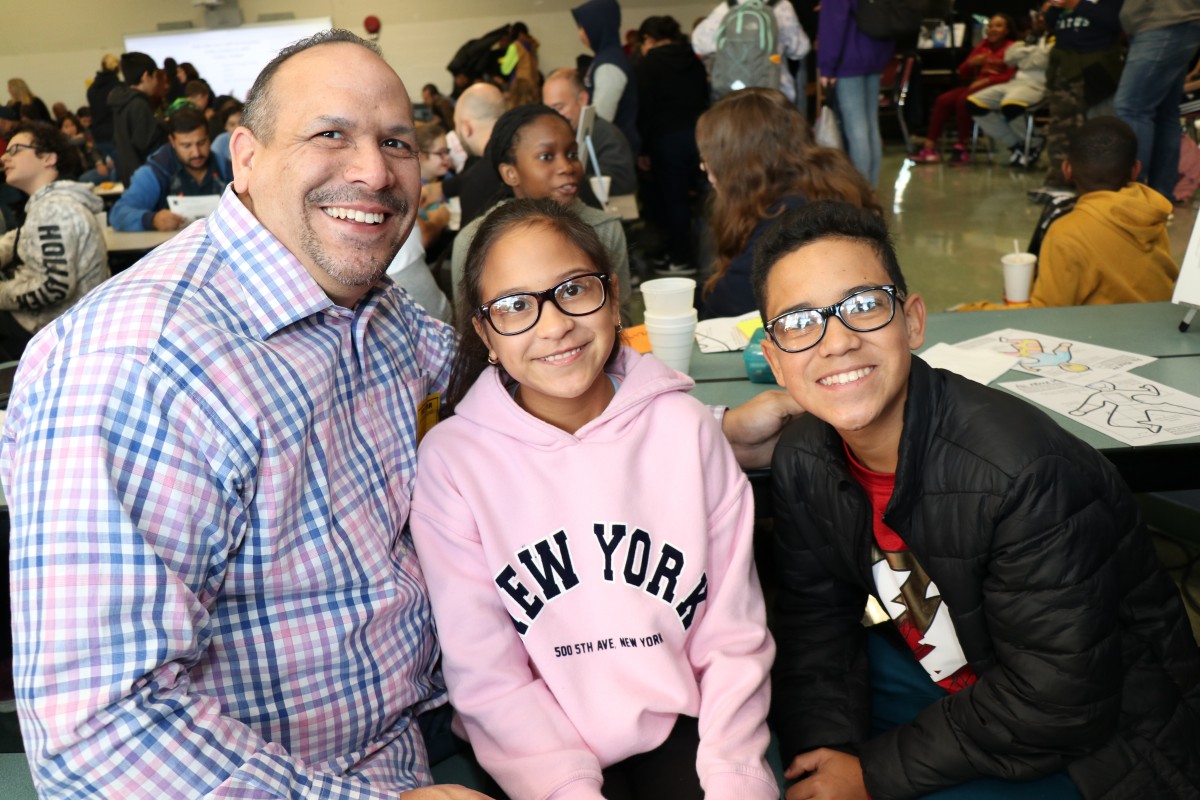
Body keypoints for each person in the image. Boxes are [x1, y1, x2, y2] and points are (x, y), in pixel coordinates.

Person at [0, 28, 799, 799]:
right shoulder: (133, 366)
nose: (375, 174)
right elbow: (94, 734)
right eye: (331, 134)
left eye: (395, 143)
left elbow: (551, 383)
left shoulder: (382, 320)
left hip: (461, 726)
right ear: (244, 157)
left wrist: (709, 434)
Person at [753, 199, 1200, 800]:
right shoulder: (805, 455)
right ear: (776, 360)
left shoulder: (1023, 472)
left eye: (862, 306)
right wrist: (823, 758)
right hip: (951, 674)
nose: (834, 342)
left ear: (911, 321)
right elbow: (815, 625)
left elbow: (1059, 700)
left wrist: (869, 775)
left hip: (1095, 736)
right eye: (799, 323)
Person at [411, 198, 777, 800]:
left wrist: (737, 778)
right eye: (514, 306)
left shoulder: (685, 431)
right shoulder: (454, 462)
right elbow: (487, 674)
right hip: (535, 753)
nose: (554, 325)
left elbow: (732, 636)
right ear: (484, 333)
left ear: (612, 295)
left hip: (680, 729)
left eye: (574, 289)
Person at [695, 87, 879, 320]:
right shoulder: (824, 185)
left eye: (709, 159)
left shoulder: (787, 220)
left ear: (740, 163)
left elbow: (725, 307)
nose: (704, 167)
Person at [450, 104, 632, 325]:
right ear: (511, 173)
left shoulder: (604, 229)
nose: (567, 166)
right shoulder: (472, 243)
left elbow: (620, 320)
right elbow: (470, 331)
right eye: (546, 156)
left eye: (572, 153)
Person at [0, 122, 107, 361]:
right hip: (57, 327)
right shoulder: (47, 204)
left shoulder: (54, 209)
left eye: (15, 150)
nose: (4, 158)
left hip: (54, 335)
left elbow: (54, 286)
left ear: (48, 158)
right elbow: (18, 238)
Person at [1027, 0, 1123, 204]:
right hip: (1063, 69)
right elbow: (1052, 22)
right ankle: (1060, 181)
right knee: (1060, 128)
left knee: (1090, 128)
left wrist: (1076, 4)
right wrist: (1055, 7)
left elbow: (1115, 21)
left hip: (1094, 68)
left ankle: (1088, 185)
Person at [634, 16, 709, 276]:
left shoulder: (648, 65)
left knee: (674, 201)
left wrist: (642, 149)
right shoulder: (693, 59)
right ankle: (708, 254)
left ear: (647, 39)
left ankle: (681, 258)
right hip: (699, 137)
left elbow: (644, 110)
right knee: (705, 198)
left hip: (666, 141)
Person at [1114, 0, 1200, 200]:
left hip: (1164, 20)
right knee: (1164, 114)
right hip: (1170, 19)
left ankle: (1132, 198)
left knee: (1131, 109)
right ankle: (1157, 199)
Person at [912, 14, 1017, 165]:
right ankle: (930, 147)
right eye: (991, 26)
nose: (992, 29)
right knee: (943, 99)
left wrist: (988, 80)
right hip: (976, 87)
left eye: (998, 26)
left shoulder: (1012, 47)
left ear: (1007, 30)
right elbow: (962, 72)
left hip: (997, 90)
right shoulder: (983, 45)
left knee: (964, 100)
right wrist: (971, 63)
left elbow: (1011, 76)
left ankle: (962, 147)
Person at [109, 107, 229, 232]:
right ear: (172, 141)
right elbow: (118, 214)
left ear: (209, 137)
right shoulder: (155, 172)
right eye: (186, 145)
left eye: (202, 142)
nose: (196, 153)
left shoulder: (226, 168)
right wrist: (152, 220)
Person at [816, 0, 894, 185]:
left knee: (857, 130)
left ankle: (862, 194)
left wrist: (827, 66)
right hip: (875, 55)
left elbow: (834, 24)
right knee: (871, 128)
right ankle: (871, 189)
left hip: (848, 60)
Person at [542, 67, 637, 198]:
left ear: (582, 100)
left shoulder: (608, 136)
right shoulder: (565, 133)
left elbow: (621, 184)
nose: (554, 116)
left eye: (559, 107)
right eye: (548, 110)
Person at [691, 0, 812, 103]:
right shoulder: (782, 6)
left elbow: (699, 43)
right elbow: (800, 50)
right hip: (775, 93)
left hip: (733, 94)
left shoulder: (727, 7)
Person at [967, 29, 1052, 168]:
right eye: (1039, 15)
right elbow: (1009, 58)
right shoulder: (1030, 36)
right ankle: (1016, 144)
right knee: (974, 103)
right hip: (1015, 82)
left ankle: (1033, 142)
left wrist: (1024, 53)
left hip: (1039, 84)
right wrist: (1035, 50)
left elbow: (1043, 60)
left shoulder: (1056, 36)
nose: (1041, 18)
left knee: (1011, 105)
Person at [572, 0, 640, 153]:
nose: (580, 33)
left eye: (583, 27)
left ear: (596, 26)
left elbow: (601, 117)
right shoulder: (605, 57)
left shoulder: (610, 64)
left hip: (612, 148)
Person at [110, 51, 168, 186]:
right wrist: (164, 127)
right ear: (146, 76)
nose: (155, 82)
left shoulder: (121, 102)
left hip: (128, 174)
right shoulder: (139, 104)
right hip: (144, 177)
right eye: (154, 77)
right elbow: (148, 145)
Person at [86, 53, 122, 162]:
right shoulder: (119, 88)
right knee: (122, 168)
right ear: (117, 68)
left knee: (113, 166)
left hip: (99, 136)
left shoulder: (92, 89)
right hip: (116, 134)